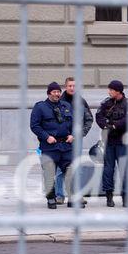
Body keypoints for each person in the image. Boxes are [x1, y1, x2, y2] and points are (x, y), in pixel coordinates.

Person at [30, 82, 85, 209]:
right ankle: (51, 198)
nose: (57, 94)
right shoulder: (40, 107)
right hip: (50, 147)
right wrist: (46, 137)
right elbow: (35, 126)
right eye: (54, 92)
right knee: (49, 173)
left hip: (66, 146)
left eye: (58, 92)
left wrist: (72, 135)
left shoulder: (66, 105)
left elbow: (73, 123)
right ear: (49, 93)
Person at [95, 80, 128, 207]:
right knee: (108, 169)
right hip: (109, 141)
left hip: (123, 142)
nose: (109, 92)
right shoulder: (106, 103)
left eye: (111, 90)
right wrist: (106, 126)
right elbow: (99, 116)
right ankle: (109, 196)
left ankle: (125, 196)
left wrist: (114, 125)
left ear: (118, 91)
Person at [54, 77, 93, 205]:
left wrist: (80, 134)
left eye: (74, 86)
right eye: (70, 86)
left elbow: (89, 119)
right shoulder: (59, 101)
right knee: (60, 169)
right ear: (65, 87)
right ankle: (59, 195)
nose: (72, 88)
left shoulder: (81, 101)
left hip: (77, 140)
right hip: (62, 140)